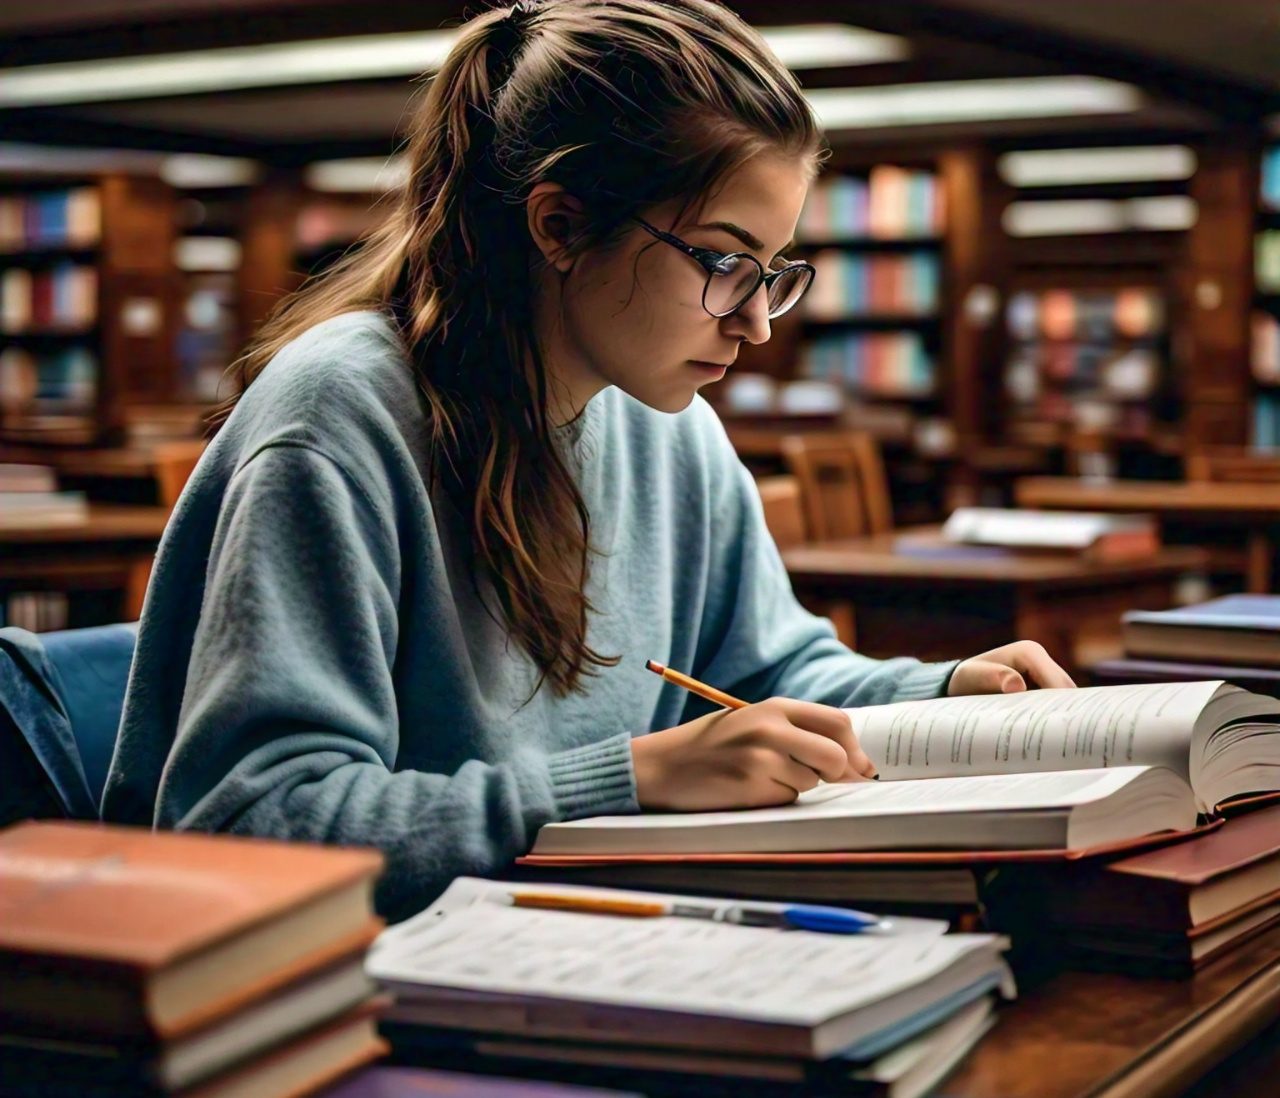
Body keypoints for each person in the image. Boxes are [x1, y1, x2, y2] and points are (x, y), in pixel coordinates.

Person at [102, 0, 1075, 921]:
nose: (754, 323)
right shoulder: (337, 415)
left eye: (772, 273)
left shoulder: (668, 420)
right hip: (339, 992)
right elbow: (252, 821)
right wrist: (630, 781)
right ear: (559, 226)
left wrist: (940, 694)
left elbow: (768, 666)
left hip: (573, 937)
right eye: (721, 262)